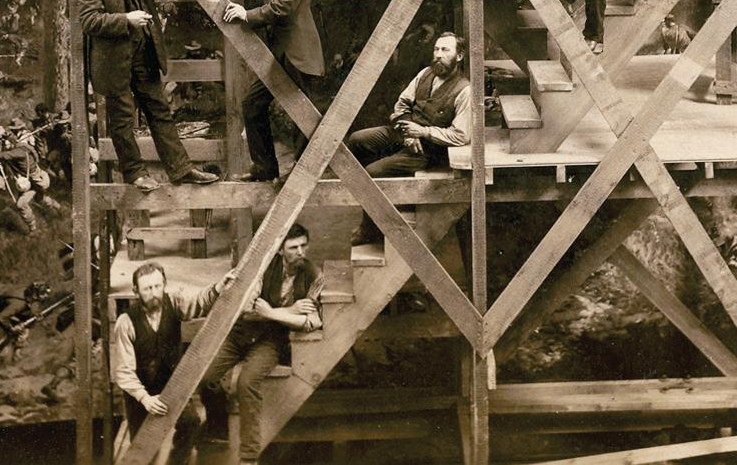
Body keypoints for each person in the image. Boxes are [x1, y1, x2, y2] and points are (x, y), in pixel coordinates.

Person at [75, 0, 219, 192]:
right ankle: (135, 173)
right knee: (122, 120)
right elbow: (89, 20)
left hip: (144, 52)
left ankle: (181, 169)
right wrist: (126, 19)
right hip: (113, 61)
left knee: (159, 110)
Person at [202, 223, 320, 464]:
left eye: (304, 246)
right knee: (206, 376)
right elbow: (246, 311)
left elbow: (312, 321)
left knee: (247, 382)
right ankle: (218, 429)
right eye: (293, 247)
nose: (300, 252)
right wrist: (290, 311)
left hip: (270, 341)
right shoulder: (263, 268)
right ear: (280, 250)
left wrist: (271, 313)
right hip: (240, 333)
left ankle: (249, 456)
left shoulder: (313, 275)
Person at [224, 0, 324, 182]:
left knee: (304, 112)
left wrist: (247, 14)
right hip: (281, 51)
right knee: (252, 105)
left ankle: (302, 172)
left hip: (297, 50)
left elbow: (286, 3)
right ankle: (265, 168)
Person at [345, 32, 471, 245]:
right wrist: (407, 133)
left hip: (427, 151)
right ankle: (384, 204)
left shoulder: (464, 90)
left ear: (459, 56)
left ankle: (371, 228)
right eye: (436, 49)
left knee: (372, 173)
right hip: (404, 134)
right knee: (357, 140)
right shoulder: (425, 74)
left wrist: (423, 133)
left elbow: (460, 136)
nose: (438, 55)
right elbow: (402, 104)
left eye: (445, 50)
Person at [115, 260, 237, 464]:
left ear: (164, 284)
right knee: (143, 447)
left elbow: (199, 303)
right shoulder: (125, 322)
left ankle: (177, 461)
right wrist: (145, 399)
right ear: (136, 291)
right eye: (147, 289)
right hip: (140, 392)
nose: (154, 293)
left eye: (157, 286)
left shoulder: (173, 303)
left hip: (171, 384)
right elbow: (124, 372)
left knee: (190, 422)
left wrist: (218, 288)